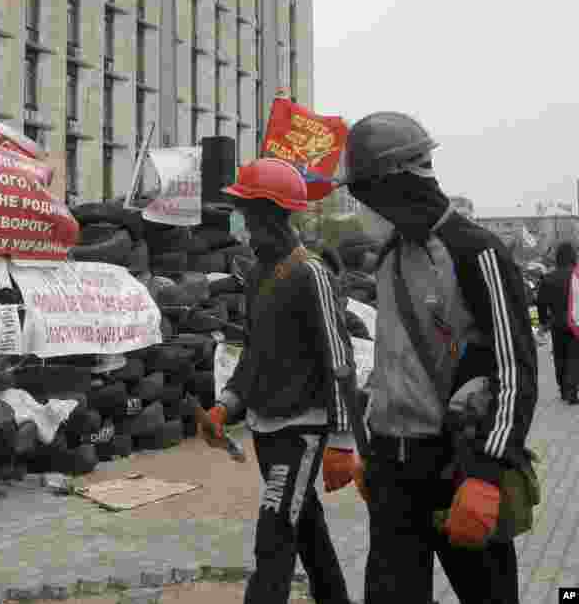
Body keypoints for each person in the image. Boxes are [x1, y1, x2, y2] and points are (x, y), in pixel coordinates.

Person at [337, 111, 537, 604]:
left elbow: (514, 370)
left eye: (368, 191)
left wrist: (488, 474)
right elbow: (391, 359)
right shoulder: (389, 256)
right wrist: (373, 438)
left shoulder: (476, 251)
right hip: (392, 470)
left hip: (458, 466)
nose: (366, 205)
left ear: (400, 179)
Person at [197, 157, 355, 604]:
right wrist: (225, 404)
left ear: (275, 217)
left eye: (251, 217)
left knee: (274, 535)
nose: (247, 229)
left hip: (301, 431)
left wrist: (343, 442)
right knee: (306, 527)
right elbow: (254, 353)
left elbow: (338, 357)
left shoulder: (313, 274)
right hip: (266, 429)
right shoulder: (258, 276)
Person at [537, 241, 578, 402]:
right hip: (576, 323)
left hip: (557, 323)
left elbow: (540, 302)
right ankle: (572, 391)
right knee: (574, 357)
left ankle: (563, 389)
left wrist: (544, 321)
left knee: (560, 356)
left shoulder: (548, 278)